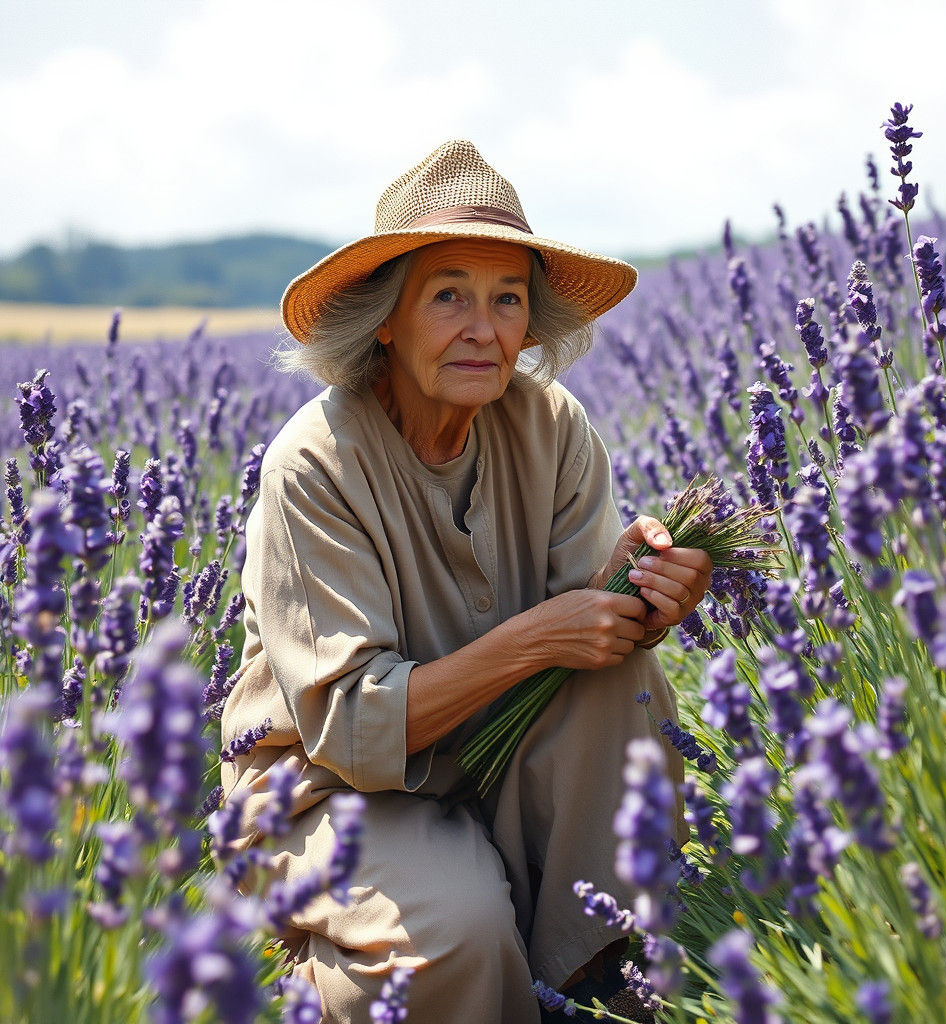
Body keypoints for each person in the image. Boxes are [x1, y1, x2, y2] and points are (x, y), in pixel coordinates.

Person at [219, 139, 712, 1024]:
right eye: (449, 295)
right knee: (459, 935)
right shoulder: (316, 462)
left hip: (498, 741)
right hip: (336, 786)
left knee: (626, 688)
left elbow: (588, 628)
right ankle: (323, 980)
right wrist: (536, 638)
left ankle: (609, 987)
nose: (484, 329)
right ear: (385, 318)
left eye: (508, 299)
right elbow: (348, 723)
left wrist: (652, 589)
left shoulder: (549, 423)